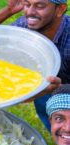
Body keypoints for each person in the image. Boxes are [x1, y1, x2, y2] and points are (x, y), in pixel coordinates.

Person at [12, 0, 69, 131]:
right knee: (49, 113)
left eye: (40, 6)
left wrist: (60, 88)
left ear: (60, 9)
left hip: (63, 87)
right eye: (27, 4)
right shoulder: (21, 28)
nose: (30, 12)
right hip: (44, 86)